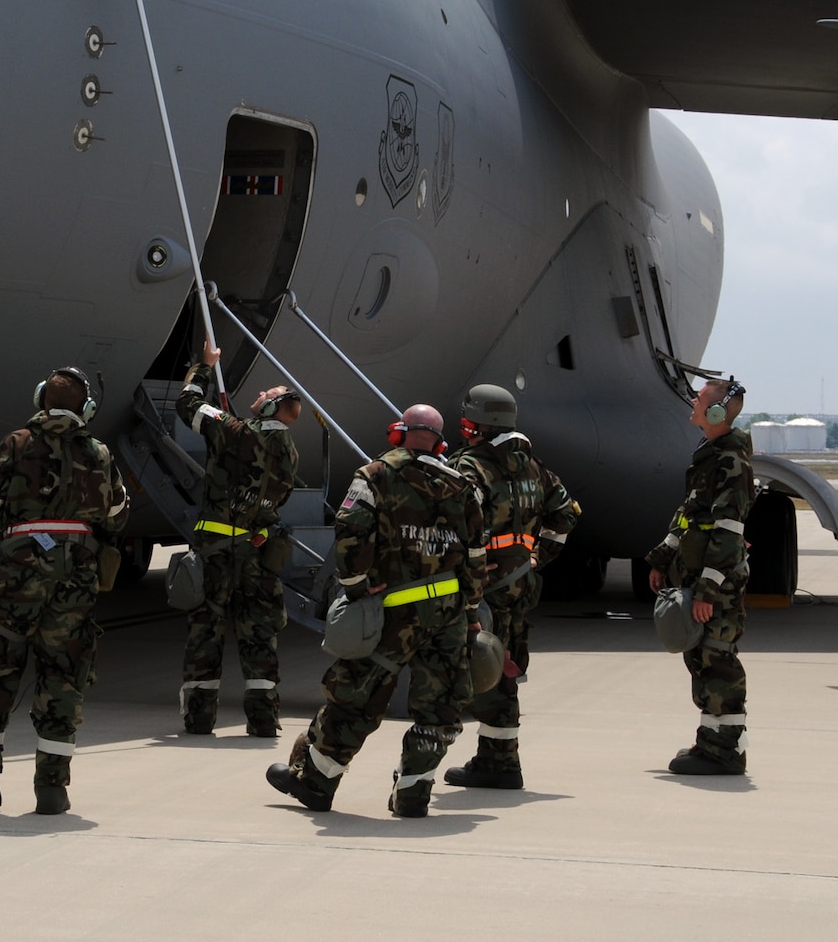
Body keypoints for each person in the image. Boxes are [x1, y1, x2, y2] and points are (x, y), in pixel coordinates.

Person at [266, 405, 487, 817]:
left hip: (391, 613)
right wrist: (470, 609)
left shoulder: (375, 476)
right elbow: (476, 555)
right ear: (440, 444)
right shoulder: (463, 487)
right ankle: (413, 795)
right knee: (439, 708)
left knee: (355, 698)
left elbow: (350, 530)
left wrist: (355, 585)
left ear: (399, 433)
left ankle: (315, 783)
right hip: (447, 615)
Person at [0, 366, 130, 815]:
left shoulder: (17, 443)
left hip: (16, 576)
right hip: (76, 578)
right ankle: (52, 788)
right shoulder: (99, 453)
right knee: (64, 675)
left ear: (42, 400)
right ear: (86, 409)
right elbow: (118, 515)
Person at [443, 384, 579, 791]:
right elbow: (566, 514)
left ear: (474, 425)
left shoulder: (470, 468)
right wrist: (538, 556)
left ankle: (477, 762)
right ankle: (499, 759)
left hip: (482, 591)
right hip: (519, 586)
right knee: (502, 670)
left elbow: (458, 527)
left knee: (472, 669)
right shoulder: (534, 467)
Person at [176, 339, 304, 737]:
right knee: (259, 635)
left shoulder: (232, 430)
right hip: (256, 554)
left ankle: (200, 718)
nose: (260, 393)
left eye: (267, 393)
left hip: (215, 552)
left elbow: (188, 405)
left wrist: (204, 366)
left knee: (206, 631)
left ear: (270, 407)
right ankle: (264, 719)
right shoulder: (290, 454)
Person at [645, 376, 754, 776]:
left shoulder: (731, 463)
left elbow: (728, 531)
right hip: (697, 577)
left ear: (716, 412)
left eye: (700, 398)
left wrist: (707, 590)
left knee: (717, 660)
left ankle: (725, 751)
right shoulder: (710, 456)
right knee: (702, 660)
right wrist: (661, 559)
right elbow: (689, 517)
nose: (693, 401)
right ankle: (711, 742)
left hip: (718, 585)